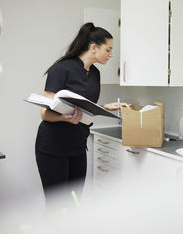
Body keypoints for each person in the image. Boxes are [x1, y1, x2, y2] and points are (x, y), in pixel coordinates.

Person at [35, 22, 128, 206]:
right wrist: (63, 118)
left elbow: (83, 107)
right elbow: (45, 113)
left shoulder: (94, 74)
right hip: (53, 147)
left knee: (74, 203)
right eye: (108, 50)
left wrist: (103, 107)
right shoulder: (62, 68)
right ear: (94, 47)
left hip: (77, 146)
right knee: (57, 206)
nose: (111, 54)